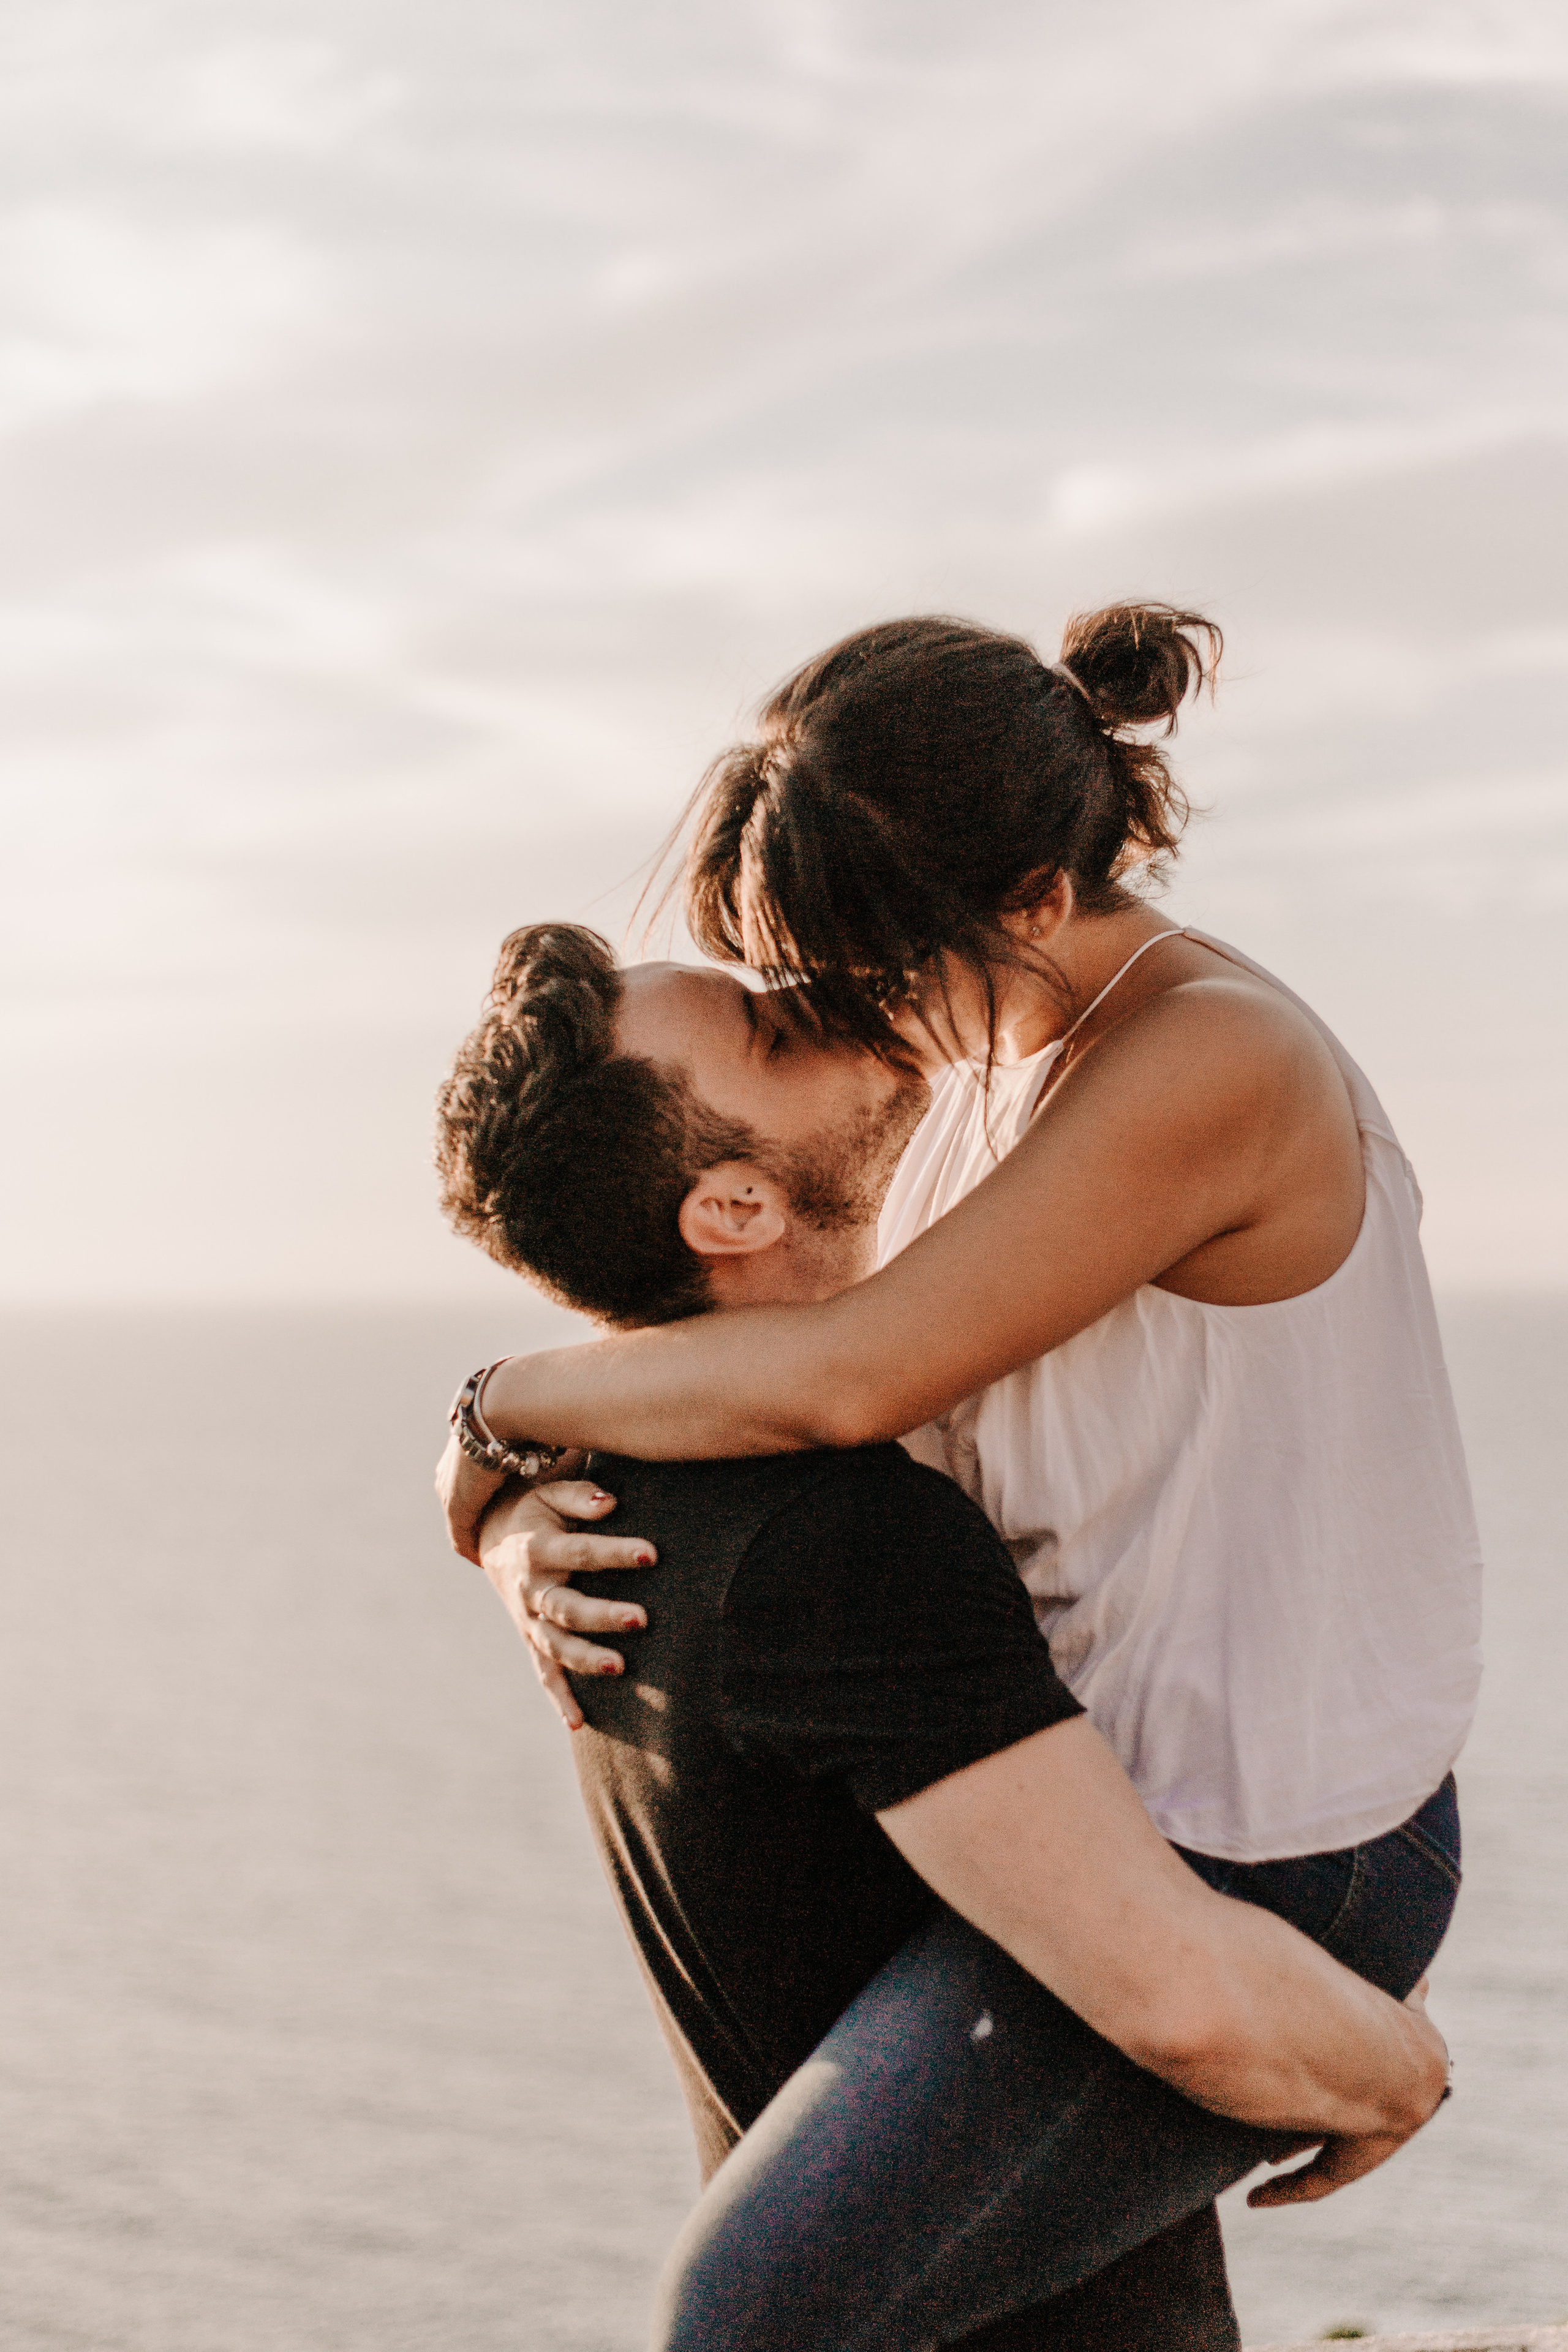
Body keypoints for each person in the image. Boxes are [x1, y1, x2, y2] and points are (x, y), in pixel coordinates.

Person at [435, 922, 1452, 2352]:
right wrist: (1396, 2068)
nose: (825, 991)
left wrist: (487, 1452)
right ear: (729, 1207)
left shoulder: (606, 1496)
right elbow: (1174, 1994)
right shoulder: (837, 1542)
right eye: (773, 1035)